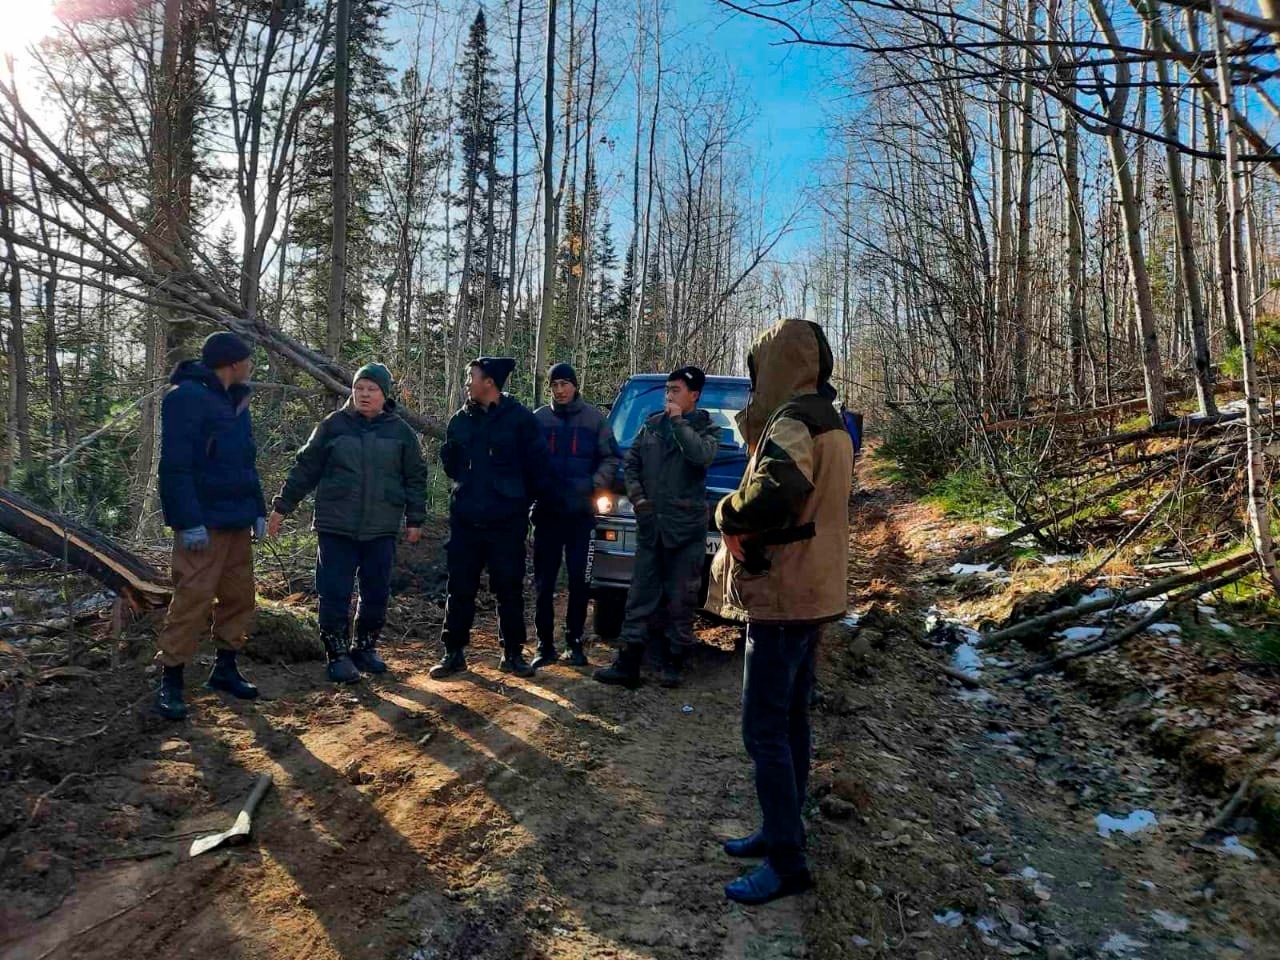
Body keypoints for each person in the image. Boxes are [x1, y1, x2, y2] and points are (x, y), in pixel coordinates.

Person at [705, 318, 854, 906]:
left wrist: (728, 513)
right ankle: (780, 830)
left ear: (776, 365)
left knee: (763, 730)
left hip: (784, 592)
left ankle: (787, 862)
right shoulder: (829, 419)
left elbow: (780, 489)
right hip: (812, 590)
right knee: (791, 721)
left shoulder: (792, 420)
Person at [267, 363, 428, 684]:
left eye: (372, 389)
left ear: (385, 395)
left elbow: (415, 477)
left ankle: (364, 647)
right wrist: (282, 507)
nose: (364, 394)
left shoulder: (401, 432)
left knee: (376, 592)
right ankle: (337, 654)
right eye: (359, 388)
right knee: (334, 592)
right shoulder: (333, 426)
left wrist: (415, 519)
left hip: (381, 527)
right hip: (336, 525)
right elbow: (305, 468)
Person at [154, 332, 266, 721]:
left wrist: (258, 509)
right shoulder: (184, 398)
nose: (251, 365)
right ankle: (171, 679)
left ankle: (225, 669)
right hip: (203, 523)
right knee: (193, 598)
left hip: (237, 520)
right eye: (248, 359)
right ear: (233, 363)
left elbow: (247, 461)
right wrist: (188, 522)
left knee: (240, 596)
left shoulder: (238, 400)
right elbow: (175, 466)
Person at [594, 366, 719, 689]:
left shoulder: (707, 430)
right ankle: (627, 664)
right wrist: (639, 501)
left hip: (686, 530)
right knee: (639, 597)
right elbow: (631, 464)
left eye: (676, 390)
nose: (669, 396)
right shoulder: (651, 427)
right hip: (652, 526)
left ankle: (673, 662)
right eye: (667, 390)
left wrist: (678, 423)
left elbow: (700, 457)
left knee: (681, 599)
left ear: (694, 395)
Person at [430, 357, 551, 680]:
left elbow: (538, 467)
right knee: (459, 588)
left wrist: (521, 502)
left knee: (509, 588)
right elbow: (452, 466)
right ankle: (453, 653)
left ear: (489, 382)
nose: (467, 382)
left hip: (506, 522)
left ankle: (512, 653)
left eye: (471, 376)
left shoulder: (520, 419)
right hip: (466, 520)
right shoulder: (460, 420)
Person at [530, 362, 621, 669]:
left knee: (580, 582)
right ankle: (544, 645)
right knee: (544, 584)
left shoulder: (595, 420)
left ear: (575, 385)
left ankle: (574, 643)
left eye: (565, 384)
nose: (560, 390)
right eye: (555, 385)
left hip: (581, 515)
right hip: (547, 513)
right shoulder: (539, 419)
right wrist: (537, 488)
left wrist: (593, 485)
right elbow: (525, 459)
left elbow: (611, 458)